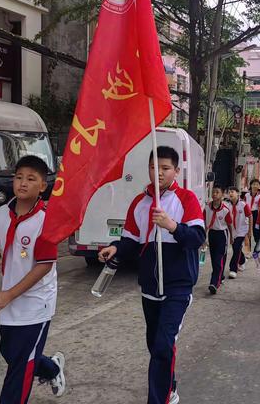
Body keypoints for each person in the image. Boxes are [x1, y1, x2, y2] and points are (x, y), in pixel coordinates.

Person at [98, 146, 205, 404]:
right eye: (154, 167)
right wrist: (115, 249)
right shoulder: (139, 202)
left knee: (163, 345)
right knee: (155, 345)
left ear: (176, 171)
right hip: (149, 287)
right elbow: (131, 241)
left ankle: (159, 398)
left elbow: (197, 238)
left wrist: (172, 226)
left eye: (165, 168)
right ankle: (170, 384)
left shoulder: (186, 200)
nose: (158, 173)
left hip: (177, 287)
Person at [0, 156, 66, 404]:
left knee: (19, 368)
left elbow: (44, 265)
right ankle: (51, 368)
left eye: (31, 179)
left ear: (42, 186)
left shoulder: (45, 220)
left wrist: (9, 294)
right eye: (19, 177)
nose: (23, 183)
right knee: (10, 352)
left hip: (35, 303)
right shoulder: (0, 214)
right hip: (8, 301)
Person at [204, 185, 233, 295]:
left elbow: (229, 224)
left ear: (222, 195)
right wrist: (203, 237)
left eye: (217, 192)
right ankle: (220, 276)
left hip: (222, 234)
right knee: (214, 259)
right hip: (212, 234)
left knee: (219, 259)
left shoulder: (225, 210)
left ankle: (214, 283)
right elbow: (204, 223)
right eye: (213, 192)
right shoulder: (207, 208)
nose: (215, 194)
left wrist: (232, 237)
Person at [227, 187, 252, 279]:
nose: (230, 193)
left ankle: (233, 269)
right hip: (233, 231)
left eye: (232, 191)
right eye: (229, 192)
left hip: (242, 230)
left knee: (237, 247)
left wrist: (250, 230)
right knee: (236, 249)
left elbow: (250, 216)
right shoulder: (227, 205)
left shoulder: (243, 204)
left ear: (238, 193)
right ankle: (242, 260)